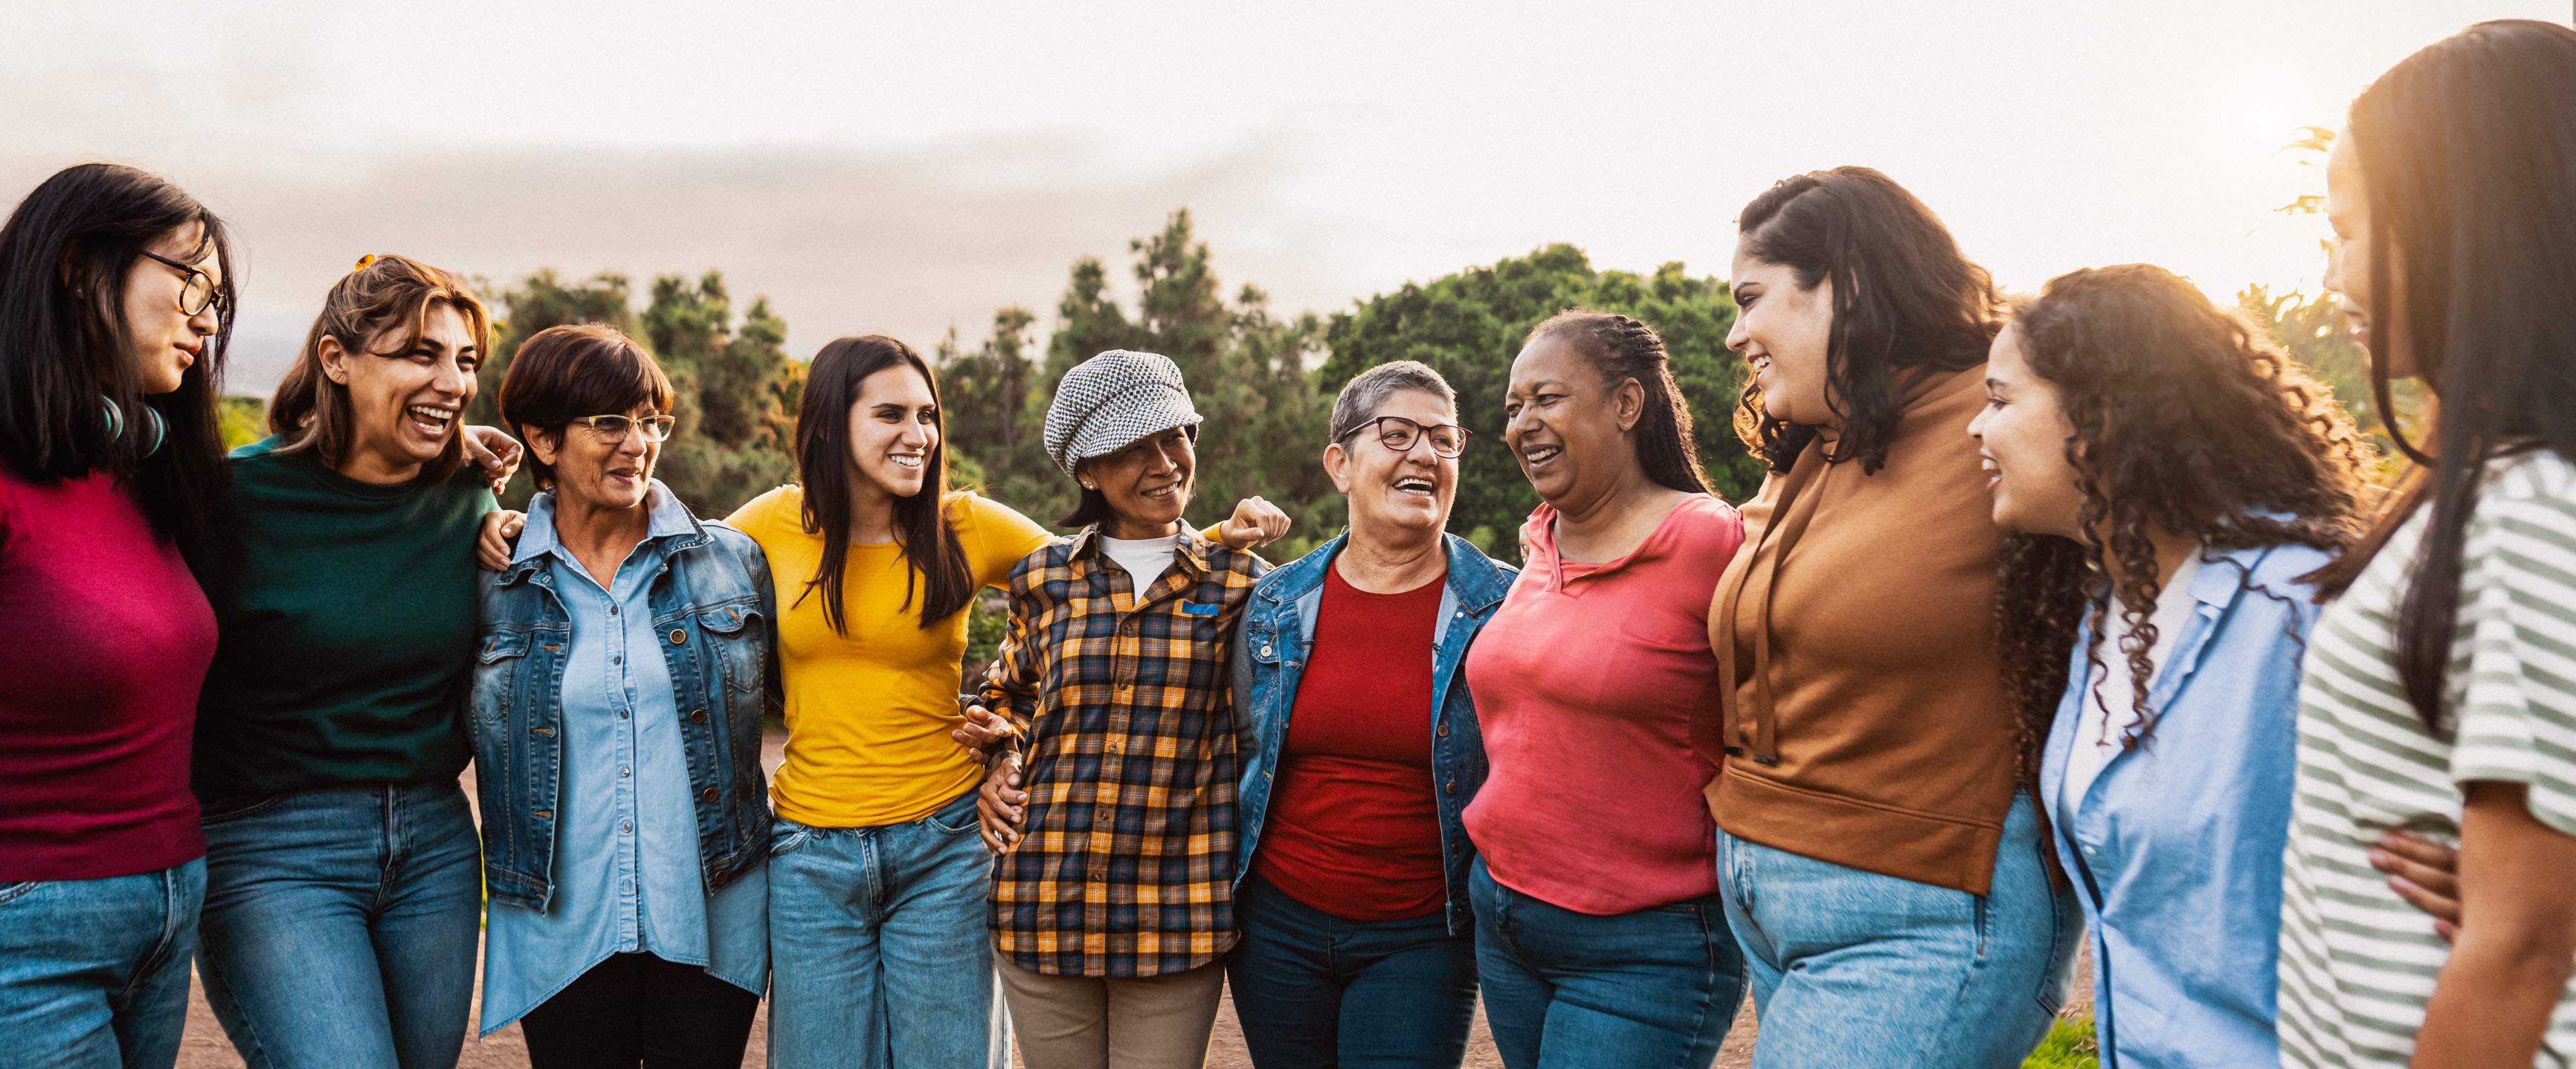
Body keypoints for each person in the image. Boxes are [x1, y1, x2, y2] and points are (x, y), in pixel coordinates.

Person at [735, 335, 1284, 1069]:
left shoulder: (964, 523)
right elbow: (658, 561)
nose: (917, 434)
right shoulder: (773, 522)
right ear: (833, 425)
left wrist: (1218, 539)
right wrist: (525, 524)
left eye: (926, 414)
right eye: (890, 414)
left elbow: (1098, 580)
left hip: (944, 846)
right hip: (810, 854)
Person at [1704, 167, 2078, 1066]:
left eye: (1750, 298)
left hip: (1925, 916)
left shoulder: (1997, 417)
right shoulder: (1808, 443)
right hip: (1766, 897)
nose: (1733, 333)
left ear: (1846, 282)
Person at [1970, 265, 2370, 1068]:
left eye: (2001, 399)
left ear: (2100, 413)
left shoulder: (2298, 610)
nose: (1974, 429)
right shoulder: (2101, 615)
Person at [2277, 20, 2576, 1068]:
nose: (2329, 281)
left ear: (2463, 226)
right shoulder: (2466, 486)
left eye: (2349, 231)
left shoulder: (2536, 502)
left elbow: (2522, 947)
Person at [191, 253, 520, 1069]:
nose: (452, 381)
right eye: (420, 353)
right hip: (270, 848)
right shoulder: (233, 497)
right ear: (337, 360)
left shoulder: (468, 497)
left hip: (436, 844)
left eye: (464, 360)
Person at [469, 324, 777, 1068]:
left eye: (651, 422)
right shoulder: (487, 575)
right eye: (609, 422)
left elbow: (825, 697)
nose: (637, 443)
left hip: (710, 910)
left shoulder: (732, 564)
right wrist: (462, 487)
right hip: (560, 922)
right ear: (541, 440)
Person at [961, 349, 1278, 1069]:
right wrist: (997, 755)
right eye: (1134, 448)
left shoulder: (1243, 581)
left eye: (1174, 437)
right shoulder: (1041, 578)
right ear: (1086, 470)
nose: (1164, 461)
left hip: (1173, 915)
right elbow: (1005, 694)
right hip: (1042, 902)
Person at [1463, 311, 1745, 1069]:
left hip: (1643, 944)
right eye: (1512, 407)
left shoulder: (1708, 539)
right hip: (1504, 916)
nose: (1522, 423)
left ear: (1625, 404)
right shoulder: (1537, 541)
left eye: (1545, 398)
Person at [0, 164, 232, 1069]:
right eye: (190, 282)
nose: (207, 319)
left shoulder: (138, 471)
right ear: (78, 264)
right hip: (29, 925)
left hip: (166, 911)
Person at [1226, 361, 1516, 1069]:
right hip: (1276, 931)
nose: (1424, 454)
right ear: (1340, 464)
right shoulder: (1275, 605)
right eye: (1397, 434)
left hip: (1423, 936)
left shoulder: (1506, 609)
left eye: (1444, 441)